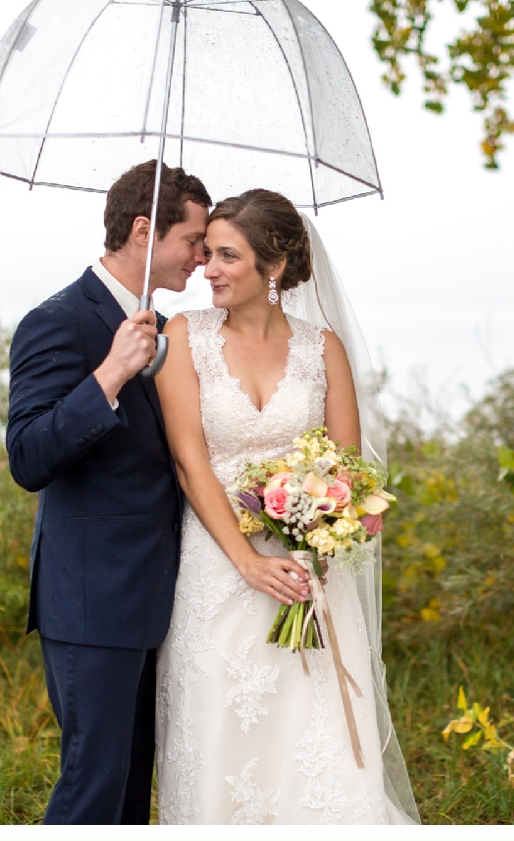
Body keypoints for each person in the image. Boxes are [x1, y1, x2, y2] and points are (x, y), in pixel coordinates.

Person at [154, 189, 419, 824]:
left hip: (308, 566)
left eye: (226, 255)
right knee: (223, 721)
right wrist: (247, 561)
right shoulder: (182, 335)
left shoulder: (322, 347)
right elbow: (191, 465)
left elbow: (347, 468)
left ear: (273, 267)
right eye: (207, 252)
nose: (207, 267)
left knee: (312, 729)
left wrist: (314, 544)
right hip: (217, 565)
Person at [6, 160, 212, 824]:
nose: (201, 257)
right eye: (194, 240)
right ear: (144, 229)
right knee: (90, 793)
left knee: (128, 798)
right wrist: (110, 375)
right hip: (91, 602)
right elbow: (28, 455)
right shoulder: (59, 320)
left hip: (156, 602)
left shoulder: (165, 327)